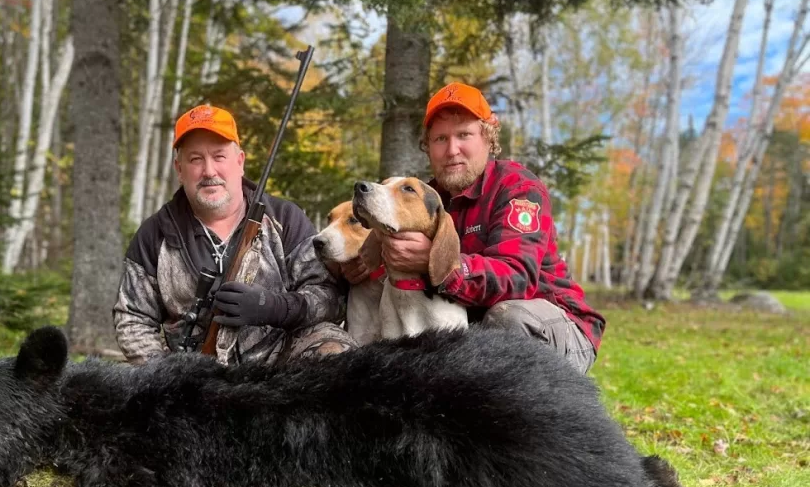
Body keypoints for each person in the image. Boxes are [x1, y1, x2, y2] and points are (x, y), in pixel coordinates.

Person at [340, 83, 606, 373]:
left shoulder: (518, 188)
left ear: (488, 139)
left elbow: (517, 278)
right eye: (440, 138)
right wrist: (359, 266)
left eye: (464, 135)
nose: (452, 150)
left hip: (554, 324)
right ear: (428, 147)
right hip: (476, 332)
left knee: (508, 318)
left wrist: (436, 261)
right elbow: (374, 249)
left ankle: (531, 413)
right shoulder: (423, 200)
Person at [113, 104, 355, 366]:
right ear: (179, 169)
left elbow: (330, 297)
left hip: (284, 368)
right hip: (194, 377)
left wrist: (273, 307)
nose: (209, 171)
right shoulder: (155, 234)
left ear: (240, 162)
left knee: (335, 350)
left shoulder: (284, 218)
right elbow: (132, 318)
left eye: (219, 157)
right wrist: (167, 372)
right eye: (195, 159)